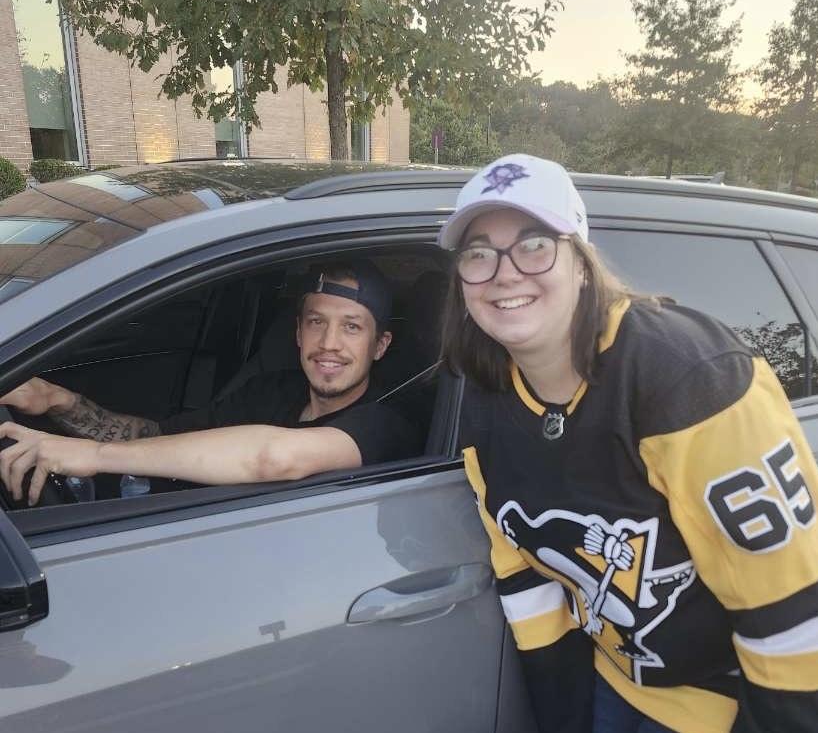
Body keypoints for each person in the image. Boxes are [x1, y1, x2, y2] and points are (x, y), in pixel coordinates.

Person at [437, 154, 818, 733]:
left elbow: (795, 610)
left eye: (534, 244)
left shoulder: (690, 380)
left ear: (582, 262)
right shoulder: (487, 404)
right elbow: (527, 580)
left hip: (721, 702)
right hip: (616, 682)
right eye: (478, 254)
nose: (504, 273)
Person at [0, 261, 421, 505]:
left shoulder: (386, 423)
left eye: (351, 328)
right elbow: (156, 437)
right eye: (316, 323)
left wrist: (95, 455)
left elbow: (270, 458)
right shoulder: (272, 392)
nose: (328, 344)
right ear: (297, 333)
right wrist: (58, 400)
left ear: (379, 345)